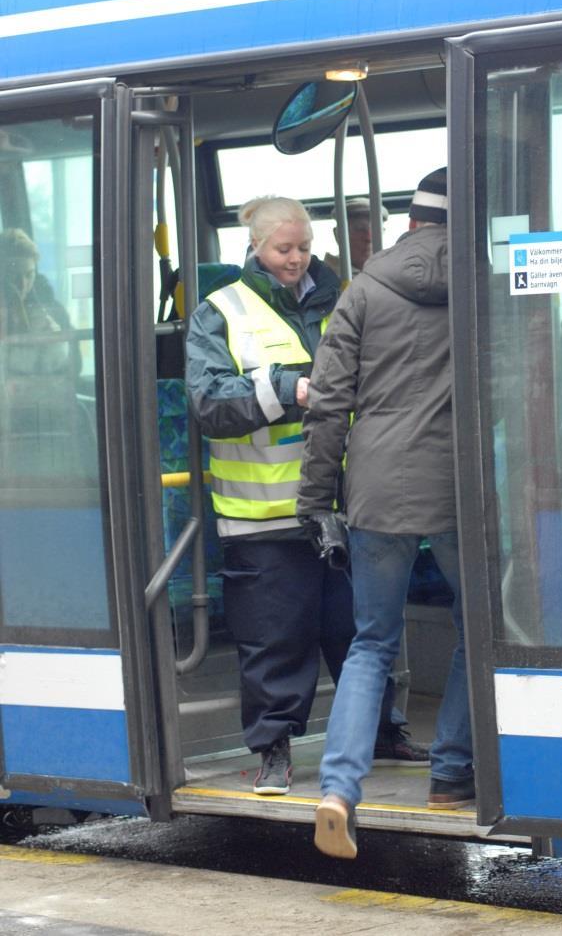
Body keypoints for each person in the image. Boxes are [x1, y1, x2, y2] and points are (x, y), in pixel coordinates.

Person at [185, 196, 426, 797]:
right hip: (261, 515)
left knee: (362, 629)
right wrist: (287, 388)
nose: (295, 260)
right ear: (256, 248)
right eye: (282, 249)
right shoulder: (219, 312)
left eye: (302, 248)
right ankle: (273, 749)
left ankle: (380, 731)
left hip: (346, 503)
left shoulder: (344, 299)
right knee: (275, 640)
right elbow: (210, 404)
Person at [297, 168, 473, 859]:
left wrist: (315, 498)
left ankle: (338, 790)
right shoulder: (481, 285)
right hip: (458, 485)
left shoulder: (363, 289)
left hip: (375, 487)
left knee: (372, 641)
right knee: (475, 627)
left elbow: (329, 403)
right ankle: (450, 773)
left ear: (410, 223)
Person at [0, 227, 78, 377]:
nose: (22, 284)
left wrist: (56, 343)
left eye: (29, 275)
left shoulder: (52, 311)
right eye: (13, 275)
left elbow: (73, 370)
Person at [323, 196, 389, 280]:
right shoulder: (323, 278)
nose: (369, 238)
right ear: (338, 235)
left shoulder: (391, 275)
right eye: (360, 229)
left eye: (376, 230)